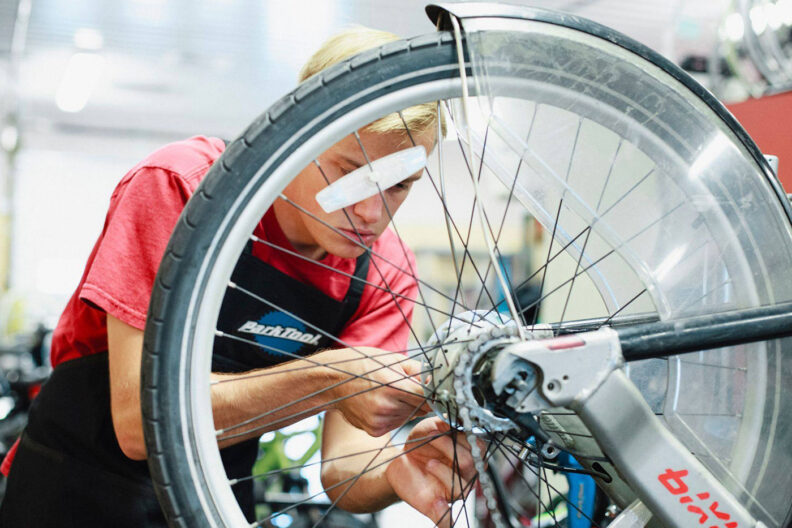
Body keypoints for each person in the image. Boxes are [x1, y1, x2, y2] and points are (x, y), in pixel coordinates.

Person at [0, 27, 475, 527]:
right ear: (296, 133)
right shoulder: (184, 191)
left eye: (399, 185)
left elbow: (343, 467)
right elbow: (139, 423)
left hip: (212, 501)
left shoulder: (385, 271)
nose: (370, 212)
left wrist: (394, 471)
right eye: (349, 173)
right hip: (72, 490)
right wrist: (329, 378)